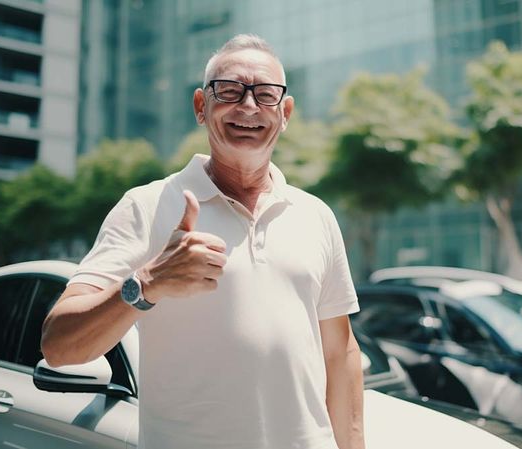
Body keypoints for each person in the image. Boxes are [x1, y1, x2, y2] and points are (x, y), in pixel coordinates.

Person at [41, 34, 364, 449]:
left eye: (265, 95)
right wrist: (148, 282)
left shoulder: (316, 215)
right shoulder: (145, 206)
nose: (248, 106)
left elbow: (340, 355)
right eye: (229, 91)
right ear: (200, 106)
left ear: (285, 114)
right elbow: (58, 347)